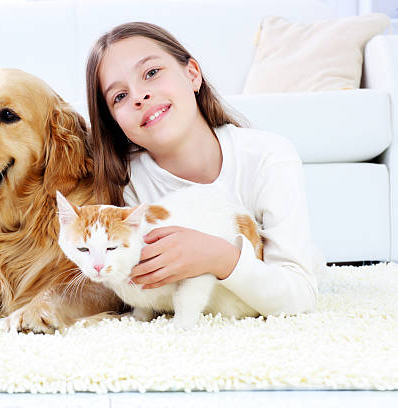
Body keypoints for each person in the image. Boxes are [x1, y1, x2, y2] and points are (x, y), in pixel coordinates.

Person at [85, 22, 322, 316]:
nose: (138, 96)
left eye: (151, 73)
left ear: (192, 74)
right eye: (119, 96)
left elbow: (299, 298)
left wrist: (217, 257)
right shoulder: (128, 184)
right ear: (114, 123)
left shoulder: (268, 157)